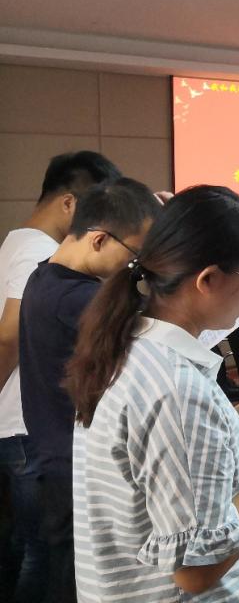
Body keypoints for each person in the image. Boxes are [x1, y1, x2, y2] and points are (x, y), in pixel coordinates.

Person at [66, 185, 239, 602]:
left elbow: (166, 457)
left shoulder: (129, 343)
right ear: (208, 279)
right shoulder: (177, 389)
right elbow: (195, 571)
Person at [19, 178, 160, 603]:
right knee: (74, 580)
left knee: (57, 569)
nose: (136, 267)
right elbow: (160, 332)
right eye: (135, 256)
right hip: (73, 467)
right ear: (99, 240)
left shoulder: (42, 276)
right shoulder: (80, 300)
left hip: (50, 453)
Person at [0, 150, 120, 602]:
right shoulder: (41, 253)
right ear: (69, 203)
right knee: (44, 555)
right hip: (27, 425)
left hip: (19, 422)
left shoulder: (17, 239)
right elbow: (8, 336)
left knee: (25, 542)